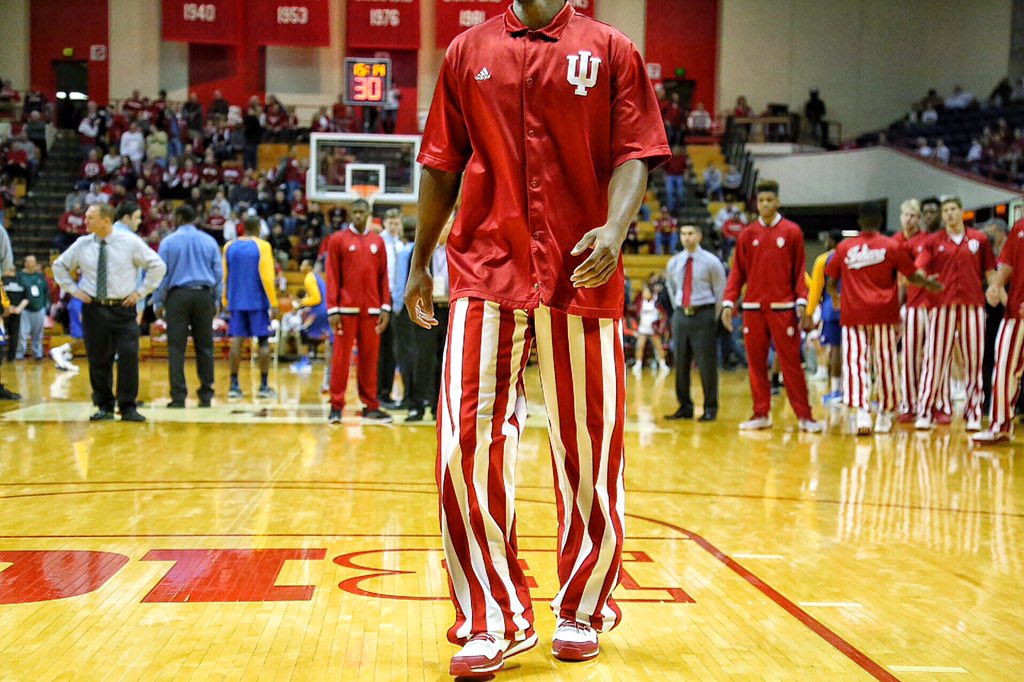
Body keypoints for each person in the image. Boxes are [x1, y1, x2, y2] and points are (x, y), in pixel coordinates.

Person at [405, 1, 670, 675]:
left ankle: (582, 606)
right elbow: (441, 163)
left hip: (582, 266)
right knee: (464, 443)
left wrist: (614, 231)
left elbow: (636, 154)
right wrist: (419, 262)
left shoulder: (611, 48)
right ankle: (491, 616)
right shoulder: (466, 51)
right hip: (482, 266)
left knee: (589, 445)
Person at [824, 201, 941, 435]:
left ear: (859, 222)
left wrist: (835, 298)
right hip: (884, 315)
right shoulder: (892, 245)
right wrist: (928, 283)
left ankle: (863, 412)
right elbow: (912, 277)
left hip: (853, 315)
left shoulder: (845, 247)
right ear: (880, 222)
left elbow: (830, 279)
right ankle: (886, 413)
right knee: (886, 364)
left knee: (856, 364)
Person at [721, 180, 824, 432]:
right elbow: (737, 274)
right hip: (753, 309)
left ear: (777, 202)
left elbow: (800, 271)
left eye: (769, 200)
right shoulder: (746, 234)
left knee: (791, 364)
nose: (765, 204)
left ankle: (805, 416)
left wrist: (803, 303)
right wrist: (728, 302)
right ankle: (761, 413)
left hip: (784, 308)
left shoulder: (792, 231)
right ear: (757, 203)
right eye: (761, 200)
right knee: (756, 364)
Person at [52, 203, 167, 422]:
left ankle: (128, 407)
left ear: (105, 221)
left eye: (90, 217)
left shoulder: (130, 242)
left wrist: (140, 292)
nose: (85, 221)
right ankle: (104, 406)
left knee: (128, 356)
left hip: (122, 308)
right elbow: (59, 266)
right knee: (98, 359)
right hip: (94, 307)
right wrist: (75, 291)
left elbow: (158, 265)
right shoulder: (82, 244)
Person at [914, 196, 997, 431]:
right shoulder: (933, 241)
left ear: (962, 211)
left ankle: (974, 413)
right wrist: (921, 280)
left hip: (973, 306)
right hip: (941, 306)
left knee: (974, 362)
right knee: (935, 360)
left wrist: (996, 294)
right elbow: (920, 268)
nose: (949, 213)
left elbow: (990, 272)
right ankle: (925, 411)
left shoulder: (979, 240)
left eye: (953, 209)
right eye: (946, 210)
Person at [323, 199, 392, 424]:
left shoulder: (378, 242)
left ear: (369, 214)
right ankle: (336, 406)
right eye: (355, 212)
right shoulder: (337, 240)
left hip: (372, 310)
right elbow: (332, 276)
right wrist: (333, 309)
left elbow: (384, 276)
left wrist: (385, 306)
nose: (358, 216)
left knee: (370, 360)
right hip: (345, 311)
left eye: (362, 212)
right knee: (341, 360)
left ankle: (371, 405)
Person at [152, 204, 223, 408]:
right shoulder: (209, 241)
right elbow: (218, 274)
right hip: (203, 296)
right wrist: (216, 299)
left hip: (178, 296)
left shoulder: (168, 242)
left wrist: (158, 300)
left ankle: (178, 396)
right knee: (205, 347)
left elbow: (162, 274)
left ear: (179, 217)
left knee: (176, 348)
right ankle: (206, 396)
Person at [664, 224, 726, 420]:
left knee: (706, 364)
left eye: (690, 233)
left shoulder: (712, 262)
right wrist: (679, 309)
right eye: (683, 234)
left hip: (704, 314)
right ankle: (685, 407)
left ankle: (710, 408)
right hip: (681, 314)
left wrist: (712, 316)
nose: (686, 237)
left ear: (699, 235)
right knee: (680, 363)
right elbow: (672, 288)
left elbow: (720, 292)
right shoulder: (674, 262)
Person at [974, 219, 1024, 443]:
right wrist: (997, 285)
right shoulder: (1020, 227)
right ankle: (1000, 426)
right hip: (1015, 312)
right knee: (1003, 368)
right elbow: (1008, 263)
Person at [222, 216, 279, 400]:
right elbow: (268, 277)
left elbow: (225, 276)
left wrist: (225, 300)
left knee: (237, 342)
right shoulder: (263, 246)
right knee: (262, 342)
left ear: (243, 228)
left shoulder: (229, 246)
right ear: (259, 228)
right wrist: (274, 303)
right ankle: (263, 386)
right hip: (258, 302)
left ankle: (234, 385)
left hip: (236, 301)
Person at [805, 230, 842, 404]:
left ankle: (836, 391)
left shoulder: (823, 259)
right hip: (855, 308)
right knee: (857, 351)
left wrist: (809, 313)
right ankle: (855, 391)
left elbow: (816, 289)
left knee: (836, 349)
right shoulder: (853, 256)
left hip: (832, 308)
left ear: (832, 241)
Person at [13, 255, 50, 361]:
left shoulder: (40, 276)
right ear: (25, 263)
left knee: (38, 334)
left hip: (39, 310)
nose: (31, 264)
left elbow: (45, 291)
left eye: (33, 262)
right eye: (29, 262)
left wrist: (43, 305)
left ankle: (38, 354)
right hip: (25, 310)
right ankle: (20, 354)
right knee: (22, 334)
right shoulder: (19, 276)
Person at [631, 285, 669, 375]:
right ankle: (638, 364)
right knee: (640, 346)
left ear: (651, 293)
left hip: (653, 329)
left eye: (646, 292)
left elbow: (663, 315)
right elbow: (635, 314)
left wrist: (660, 326)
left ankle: (663, 364)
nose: (644, 294)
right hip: (643, 328)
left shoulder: (657, 303)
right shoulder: (640, 302)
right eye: (643, 292)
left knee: (659, 347)